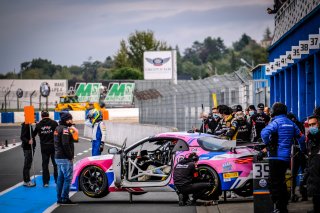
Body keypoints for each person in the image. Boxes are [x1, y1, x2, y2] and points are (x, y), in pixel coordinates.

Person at [261, 102, 306, 213]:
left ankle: (279, 208)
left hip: (275, 157)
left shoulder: (275, 122)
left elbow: (264, 133)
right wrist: (302, 149)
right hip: (286, 158)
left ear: (274, 111)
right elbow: (301, 138)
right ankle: (283, 206)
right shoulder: (291, 123)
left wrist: (268, 144)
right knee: (281, 182)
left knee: (274, 184)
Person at [54, 111, 77, 205]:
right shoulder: (65, 130)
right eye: (71, 119)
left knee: (60, 178)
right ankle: (65, 198)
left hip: (58, 156)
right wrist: (70, 156)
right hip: (64, 157)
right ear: (67, 120)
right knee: (68, 178)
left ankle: (59, 198)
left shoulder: (57, 128)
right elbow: (65, 144)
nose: (72, 121)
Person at [33, 111, 58, 187]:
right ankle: (57, 180)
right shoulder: (54, 123)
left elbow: (33, 135)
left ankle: (45, 182)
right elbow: (58, 133)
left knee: (45, 164)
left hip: (44, 147)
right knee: (55, 164)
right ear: (49, 115)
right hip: (53, 146)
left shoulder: (39, 124)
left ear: (41, 116)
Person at [287, 112, 307, 202]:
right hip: (298, 152)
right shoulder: (299, 125)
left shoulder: (295, 126)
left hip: (297, 152)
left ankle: (298, 193)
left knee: (295, 174)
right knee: (300, 173)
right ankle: (302, 194)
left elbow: (302, 139)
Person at [305, 115, 320, 213]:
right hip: (314, 174)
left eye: (313, 124)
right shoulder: (310, 139)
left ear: (319, 124)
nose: (311, 127)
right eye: (310, 125)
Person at [20, 122, 36, 187]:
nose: (34, 119)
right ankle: (26, 181)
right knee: (27, 164)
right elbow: (22, 137)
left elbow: (32, 135)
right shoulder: (26, 125)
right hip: (27, 148)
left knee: (28, 164)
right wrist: (28, 141)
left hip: (30, 147)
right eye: (33, 118)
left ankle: (26, 180)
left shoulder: (29, 125)